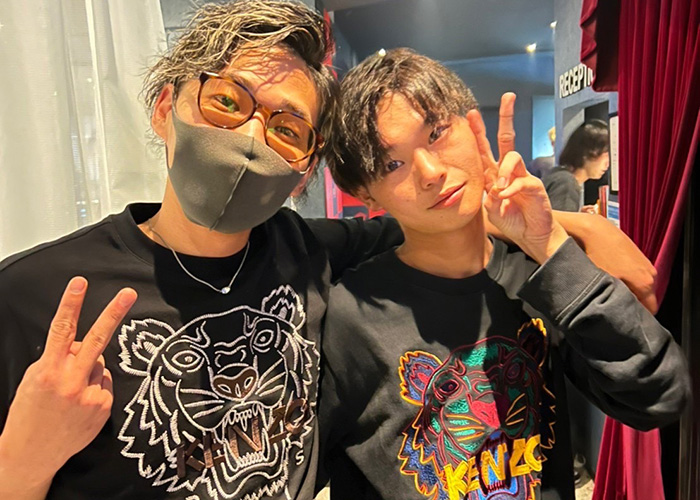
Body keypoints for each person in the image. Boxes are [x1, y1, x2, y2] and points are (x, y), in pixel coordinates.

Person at [0, 2, 661, 499]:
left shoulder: (309, 252)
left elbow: (453, 225)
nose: (251, 137)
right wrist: (21, 463)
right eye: (227, 101)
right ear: (165, 107)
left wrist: (557, 227)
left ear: (303, 172)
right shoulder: (32, 294)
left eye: (287, 128)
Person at [318, 48, 689, 500]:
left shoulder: (537, 279)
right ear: (365, 194)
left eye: (436, 133)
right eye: (391, 164)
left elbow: (659, 397)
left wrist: (550, 245)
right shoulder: (348, 317)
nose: (430, 172)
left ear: (472, 127)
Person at [543, 120, 609, 213]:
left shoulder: (558, 173)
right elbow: (558, 221)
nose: (608, 163)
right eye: (606, 155)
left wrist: (578, 215)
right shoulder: (566, 182)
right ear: (588, 152)